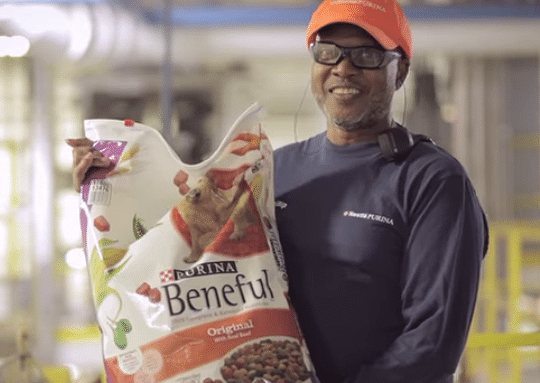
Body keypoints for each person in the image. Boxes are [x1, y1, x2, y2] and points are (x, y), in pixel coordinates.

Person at [68, 0, 489, 382]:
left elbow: (432, 347)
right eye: (329, 52)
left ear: (401, 72)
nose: (344, 68)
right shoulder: (274, 169)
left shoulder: (431, 181)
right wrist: (111, 188)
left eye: (367, 55)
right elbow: (184, 252)